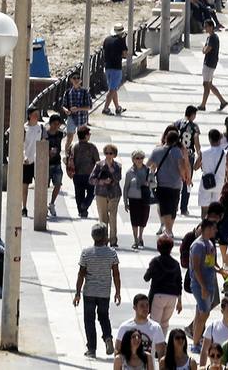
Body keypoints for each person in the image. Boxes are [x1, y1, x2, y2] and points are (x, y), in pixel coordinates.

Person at [74, 223, 123, 359]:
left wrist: (77, 293)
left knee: (89, 320)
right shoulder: (112, 253)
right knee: (103, 317)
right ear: (105, 237)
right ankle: (108, 337)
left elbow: (81, 274)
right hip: (104, 293)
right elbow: (116, 274)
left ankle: (91, 349)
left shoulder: (86, 253)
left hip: (89, 292)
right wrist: (117, 292)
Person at [149, 129, 192, 237]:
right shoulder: (177, 151)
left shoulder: (157, 151)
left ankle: (168, 229)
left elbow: (149, 165)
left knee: (164, 207)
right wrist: (185, 177)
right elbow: (181, 166)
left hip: (161, 184)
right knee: (173, 208)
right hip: (175, 184)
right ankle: (169, 230)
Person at [188, 217, 221, 351]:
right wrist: (202, 287)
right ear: (207, 228)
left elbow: (210, 264)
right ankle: (196, 344)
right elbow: (196, 268)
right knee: (204, 314)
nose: (216, 230)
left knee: (200, 314)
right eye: (214, 228)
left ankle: (196, 340)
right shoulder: (198, 245)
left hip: (209, 283)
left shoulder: (210, 244)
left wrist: (220, 271)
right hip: (200, 285)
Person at [143, 239, 184, 335]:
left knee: (154, 323)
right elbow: (179, 282)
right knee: (164, 324)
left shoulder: (155, 261)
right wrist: (180, 301)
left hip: (158, 295)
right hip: (172, 297)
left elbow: (146, 278)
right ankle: (161, 345)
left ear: (158, 248)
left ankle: (153, 346)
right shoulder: (175, 264)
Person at [125, 150, 155, 250]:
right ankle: (135, 240)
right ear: (133, 160)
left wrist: (149, 184)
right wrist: (125, 202)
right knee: (134, 220)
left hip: (145, 197)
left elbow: (155, 184)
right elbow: (126, 187)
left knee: (143, 219)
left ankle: (141, 237)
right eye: (137, 158)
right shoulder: (130, 172)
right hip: (133, 199)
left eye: (141, 158)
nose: (139, 160)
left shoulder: (148, 170)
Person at [93, 144, 125, 235]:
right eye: (106, 153)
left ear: (114, 154)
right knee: (103, 218)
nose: (108, 155)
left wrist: (111, 169)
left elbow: (118, 178)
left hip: (114, 194)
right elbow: (91, 179)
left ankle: (113, 240)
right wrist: (101, 181)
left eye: (110, 153)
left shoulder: (118, 166)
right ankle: (103, 239)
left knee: (113, 217)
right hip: (101, 194)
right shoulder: (99, 165)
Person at [72, 125, 101, 220]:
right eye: (89, 134)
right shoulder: (92, 147)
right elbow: (97, 161)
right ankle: (84, 205)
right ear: (85, 136)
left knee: (78, 194)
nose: (90, 135)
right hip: (90, 174)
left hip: (77, 174)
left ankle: (81, 210)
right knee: (91, 192)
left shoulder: (74, 146)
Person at [199, 20, 228, 111]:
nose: (205, 28)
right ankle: (222, 101)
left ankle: (203, 105)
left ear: (211, 27)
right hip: (210, 62)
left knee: (206, 84)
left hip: (209, 63)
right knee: (210, 84)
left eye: (206, 26)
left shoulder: (213, 38)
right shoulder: (210, 37)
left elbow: (205, 50)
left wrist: (204, 49)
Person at [102, 24, 130, 116]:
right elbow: (125, 54)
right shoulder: (120, 41)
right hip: (116, 68)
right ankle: (105, 108)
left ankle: (117, 107)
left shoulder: (107, 40)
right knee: (112, 89)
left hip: (107, 67)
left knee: (113, 88)